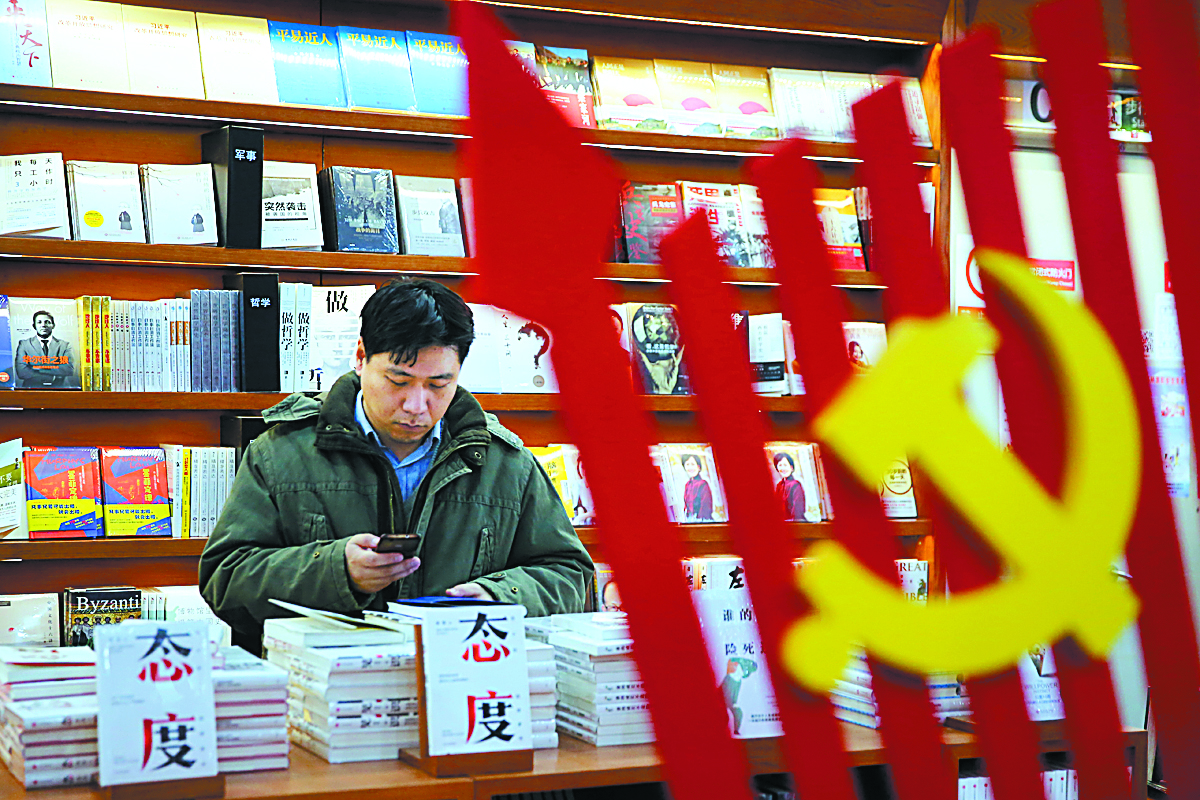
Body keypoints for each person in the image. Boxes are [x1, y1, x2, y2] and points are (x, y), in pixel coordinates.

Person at [200, 278, 594, 652]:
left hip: (463, 680)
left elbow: (569, 573)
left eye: (438, 384)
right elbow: (225, 579)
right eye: (398, 381)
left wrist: (498, 597)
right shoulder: (281, 452)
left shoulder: (505, 462)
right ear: (360, 357)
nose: (417, 405)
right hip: (325, 688)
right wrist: (336, 570)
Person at [14, 310, 77, 389]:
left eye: (47, 322)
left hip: (61, 389)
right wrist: (52, 375)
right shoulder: (24, 344)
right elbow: (21, 371)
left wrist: (35, 368)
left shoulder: (65, 345)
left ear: (53, 325)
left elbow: (69, 369)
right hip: (31, 389)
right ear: (34, 326)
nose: (43, 325)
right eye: (39, 322)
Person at [772, 451, 807, 522]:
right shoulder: (779, 486)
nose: (783, 468)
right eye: (780, 465)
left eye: (785, 465)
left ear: (791, 468)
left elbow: (798, 512)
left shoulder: (796, 485)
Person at [680, 452, 714, 522]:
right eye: (687, 464)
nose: (690, 467)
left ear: (698, 467)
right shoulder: (687, 485)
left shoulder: (703, 484)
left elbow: (705, 509)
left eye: (692, 464)